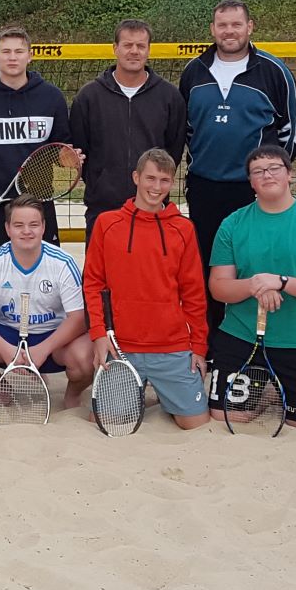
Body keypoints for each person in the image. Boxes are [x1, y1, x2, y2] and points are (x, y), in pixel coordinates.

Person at [179, 0, 296, 335]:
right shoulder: (194, 71)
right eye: (222, 25)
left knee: (255, 265)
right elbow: (185, 129)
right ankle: (210, 343)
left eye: (236, 24)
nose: (229, 31)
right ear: (212, 29)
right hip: (205, 186)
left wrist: (269, 175)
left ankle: (257, 339)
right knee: (209, 266)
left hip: (252, 190)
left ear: (250, 27)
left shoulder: (274, 71)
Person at [206, 144, 296, 431]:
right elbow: (219, 288)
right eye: (258, 171)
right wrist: (256, 284)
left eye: (274, 168)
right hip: (243, 336)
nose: (266, 175)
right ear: (250, 181)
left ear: (289, 175)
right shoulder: (233, 224)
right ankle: (265, 391)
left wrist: (281, 282)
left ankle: (274, 388)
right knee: (225, 415)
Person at [82, 148, 209, 430]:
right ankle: (141, 393)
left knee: (196, 423)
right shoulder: (107, 223)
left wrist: (198, 346)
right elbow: (93, 284)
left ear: (172, 183)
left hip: (171, 346)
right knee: (106, 423)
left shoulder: (183, 229)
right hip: (120, 347)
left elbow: (194, 294)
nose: (156, 187)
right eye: (150, 178)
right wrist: (99, 335)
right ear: (136, 177)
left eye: (164, 180)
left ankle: (160, 395)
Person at [0, 195, 95, 407]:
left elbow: (79, 319)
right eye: (19, 225)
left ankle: (73, 395)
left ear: (43, 227)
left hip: (53, 339)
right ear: (8, 228)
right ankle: (1, 389)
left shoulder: (62, 263)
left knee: (86, 355)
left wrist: (43, 349)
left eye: (33, 225)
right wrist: (6, 350)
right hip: (9, 335)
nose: (27, 231)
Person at [0, 26, 71, 280]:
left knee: (44, 281)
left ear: (30, 56)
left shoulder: (51, 97)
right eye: (5, 51)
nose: (12, 57)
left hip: (37, 206)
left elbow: (62, 149)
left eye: (19, 51)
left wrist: (71, 159)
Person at [70, 19, 186, 234]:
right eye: (127, 45)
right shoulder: (88, 97)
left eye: (141, 46)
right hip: (103, 208)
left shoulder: (169, 97)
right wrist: (101, 183)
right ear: (115, 48)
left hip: (152, 206)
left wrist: (154, 185)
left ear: (149, 50)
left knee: (150, 268)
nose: (134, 51)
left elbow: (173, 151)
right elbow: (81, 150)